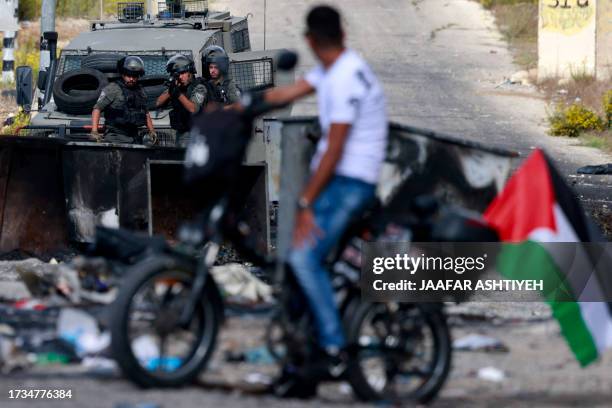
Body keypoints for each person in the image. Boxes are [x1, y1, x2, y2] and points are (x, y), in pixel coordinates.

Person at [261, 5, 388, 397]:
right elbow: (290, 92)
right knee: (302, 271)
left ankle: (334, 347)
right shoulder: (337, 68)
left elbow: (334, 148)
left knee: (303, 258)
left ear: (311, 40)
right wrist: (238, 108)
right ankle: (305, 368)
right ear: (342, 34)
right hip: (343, 184)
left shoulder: (346, 77)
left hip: (350, 186)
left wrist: (305, 202)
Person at [91, 56, 156, 144]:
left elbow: (145, 113)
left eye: (135, 76)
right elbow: (97, 109)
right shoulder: (113, 89)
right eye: (129, 76)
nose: (132, 79)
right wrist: (94, 131)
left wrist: (151, 131)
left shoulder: (140, 91)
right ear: (123, 74)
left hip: (133, 136)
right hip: (116, 137)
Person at [156, 54, 207, 147]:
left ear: (190, 72)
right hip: (182, 133)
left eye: (183, 73)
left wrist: (178, 94)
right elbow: (158, 102)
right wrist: (171, 90)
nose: (180, 77)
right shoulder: (177, 88)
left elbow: (193, 109)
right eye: (178, 74)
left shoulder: (199, 87)